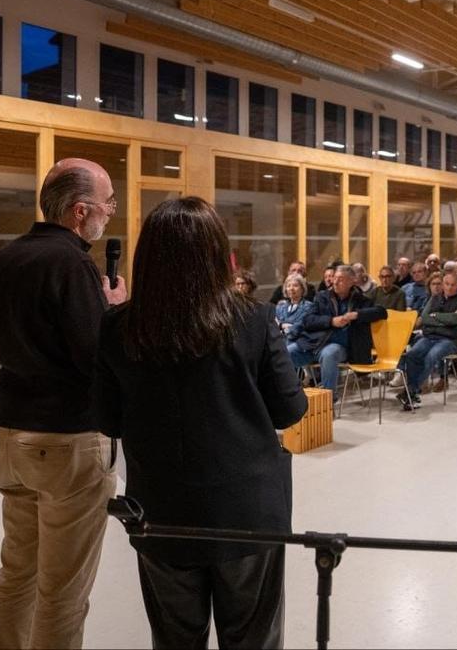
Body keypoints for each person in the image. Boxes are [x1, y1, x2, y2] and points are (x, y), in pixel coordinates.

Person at [92, 197, 306, 649]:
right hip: (248, 512)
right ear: (216, 254)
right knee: (252, 638)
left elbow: (107, 419)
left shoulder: (117, 328)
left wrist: (116, 313)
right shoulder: (254, 320)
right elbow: (290, 410)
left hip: (162, 513)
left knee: (175, 639)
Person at [0, 158, 127, 649]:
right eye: (107, 202)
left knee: (16, 572)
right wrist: (116, 312)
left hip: (8, 438)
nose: (111, 212)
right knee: (63, 591)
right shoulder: (74, 264)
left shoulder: (5, 258)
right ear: (81, 212)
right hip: (65, 442)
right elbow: (95, 358)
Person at [292, 266, 387, 401]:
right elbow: (308, 320)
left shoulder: (362, 300)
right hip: (315, 342)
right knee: (287, 352)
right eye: (334, 278)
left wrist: (356, 314)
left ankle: (328, 400)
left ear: (351, 281)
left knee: (329, 354)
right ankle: (287, 397)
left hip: (341, 347)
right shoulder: (322, 297)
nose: (335, 282)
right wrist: (331, 321)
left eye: (340, 279)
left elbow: (381, 312)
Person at [399, 271, 457, 409]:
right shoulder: (435, 298)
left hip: (450, 340)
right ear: (443, 284)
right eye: (447, 284)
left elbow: (455, 319)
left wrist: (436, 316)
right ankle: (411, 394)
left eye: (453, 285)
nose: (449, 288)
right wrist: (444, 320)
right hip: (429, 336)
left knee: (431, 356)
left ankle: (411, 391)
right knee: (412, 354)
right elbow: (425, 318)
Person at [276, 273, 315, 356]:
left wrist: (281, 328)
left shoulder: (308, 307)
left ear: (302, 289)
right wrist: (282, 325)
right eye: (288, 286)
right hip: (280, 342)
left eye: (295, 286)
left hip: (299, 344)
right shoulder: (280, 307)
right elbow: (273, 326)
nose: (291, 289)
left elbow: (297, 329)